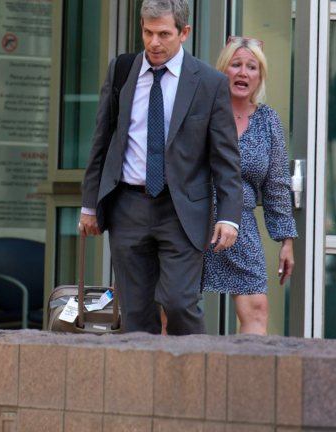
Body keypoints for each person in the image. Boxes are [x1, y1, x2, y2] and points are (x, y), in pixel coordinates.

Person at [79, 0, 243, 335]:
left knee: (180, 301)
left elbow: (225, 158)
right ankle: (143, 386)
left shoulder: (209, 82)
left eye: (164, 34)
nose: (154, 42)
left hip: (181, 210)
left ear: (184, 33)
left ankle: (197, 378)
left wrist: (229, 216)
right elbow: (102, 141)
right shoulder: (122, 71)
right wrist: (89, 205)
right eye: (148, 32)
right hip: (128, 205)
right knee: (136, 313)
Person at [200, 36, 298, 335]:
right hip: (193, 219)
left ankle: (247, 380)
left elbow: (277, 184)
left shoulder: (268, 121)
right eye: (236, 64)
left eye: (252, 67)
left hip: (241, 225)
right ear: (222, 70)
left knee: (257, 309)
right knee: (174, 310)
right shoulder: (200, 111)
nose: (243, 72)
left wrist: (287, 242)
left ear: (259, 77)